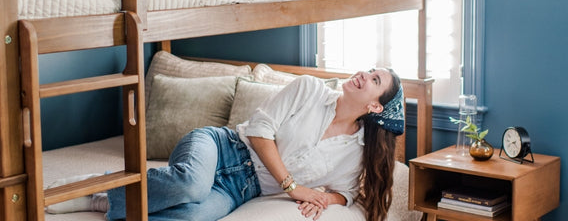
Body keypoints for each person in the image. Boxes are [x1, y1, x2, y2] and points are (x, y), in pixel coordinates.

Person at [47, 68, 405, 221]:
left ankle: (122, 199)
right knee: (191, 183)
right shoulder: (309, 89)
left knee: (194, 214)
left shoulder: (354, 152)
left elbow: (347, 194)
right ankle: (102, 190)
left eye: (373, 80)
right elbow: (260, 131)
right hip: (221, 146)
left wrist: (325, 198)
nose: (363, 74)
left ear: (375, 106)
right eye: (369, 70)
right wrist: (293, 187)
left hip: (242, 188)